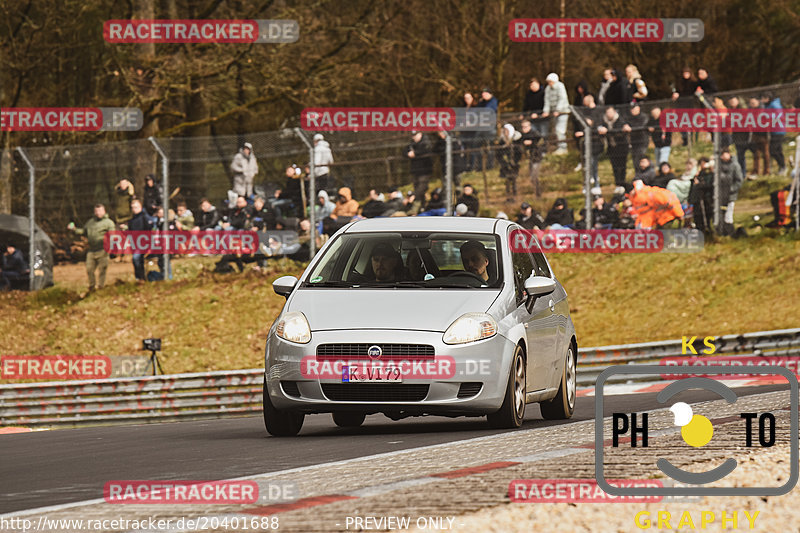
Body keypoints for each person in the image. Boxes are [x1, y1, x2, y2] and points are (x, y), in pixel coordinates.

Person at [68, 204, 116, 291]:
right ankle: (92, 286)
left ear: (104, 211)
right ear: (94, 212)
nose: (98, 213)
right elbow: (83, 231)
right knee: (89, 269)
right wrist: (74, 229)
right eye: (96, 211)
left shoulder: (109, 223)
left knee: (102, 269)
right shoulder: (90, 222)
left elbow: (113, 236)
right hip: (92, 250)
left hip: (103, 249)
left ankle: (101, 286)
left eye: (100, 211)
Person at [598, 106, 630, 187]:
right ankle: (617, 183)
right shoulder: (604, 121)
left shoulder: (620, 119)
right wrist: (601, 129)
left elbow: (624, 127)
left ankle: (622, 182)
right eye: (608, 112)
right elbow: (598, 127)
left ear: (614, 112)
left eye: (611, 112)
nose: (609, 114)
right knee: (614, 166)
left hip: (622, 147)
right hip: (612, 148)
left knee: (622, 166)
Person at [127, 199, 156, 282]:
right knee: (137, 260)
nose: (134, 209)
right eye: (132, 207)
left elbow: (150, 231)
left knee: (136, 258)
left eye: (136, 207)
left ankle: (141, 277)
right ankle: (140, 278)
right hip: (135, 243)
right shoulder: (132, 220)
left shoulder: (145, 217)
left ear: (140, 207)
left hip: (143, 243)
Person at [541, 73, 570, 154]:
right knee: (555, 130)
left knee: (560, 130)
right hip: (554, 113)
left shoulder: (560, 86)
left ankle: (563, 148)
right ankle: (559, 146)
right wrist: (546, 111)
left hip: (563, 112)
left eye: (550, 81)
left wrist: (558, 110)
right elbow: (547, 101)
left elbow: (562, 98)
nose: (549, 83)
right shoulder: (548, 89)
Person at [762, 92, 787, 174]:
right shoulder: (767, 106)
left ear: (768, 98)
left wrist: (766, 117)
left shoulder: (775, 105)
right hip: (773, 131)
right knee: (778, 150)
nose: (762, 100)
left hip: (778, 130)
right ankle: (783, 167)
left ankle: (782, 166)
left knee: (772, 150)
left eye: (763, 98)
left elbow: (779, 116)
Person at [719, 148, 744, 229]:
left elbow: (739, 181)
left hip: (730, 195)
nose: (723, 156)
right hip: (720, 195)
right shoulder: (718, 166)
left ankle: (729, 230)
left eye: (724, 154)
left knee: (728, 215)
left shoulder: (735, 166)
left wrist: (730, 189)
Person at [497, 123, 523, 200]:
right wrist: (504, 162)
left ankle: (515, 195)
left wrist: (515, 161)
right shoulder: (502, 141)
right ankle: (508, 196)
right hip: (505, 164)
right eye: (504, 131)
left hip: (514, 163)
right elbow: (498, 154)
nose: (505, 132)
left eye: (506, 131)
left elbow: (519, 152)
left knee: (514, 179)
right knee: (507, 180)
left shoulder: (516, 140)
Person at [407, 131, 434, 201]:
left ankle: (415, 201)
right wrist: (408, 154)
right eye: (412, 136)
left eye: (415, 135)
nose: (413, 137)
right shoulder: (411, 144)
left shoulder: (426, 142)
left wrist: (415, 153)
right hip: (416, 170)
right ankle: (421, 205)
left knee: (421, 188)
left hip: (425, 170)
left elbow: (427, 150)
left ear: (420, 134)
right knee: (417, 187)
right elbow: (404, 151)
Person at [519, 119, 545, 192]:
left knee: (534, 176)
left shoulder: (535, 134)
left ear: (530, 126)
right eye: (523, 127)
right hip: (530, 158)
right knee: (532, 176)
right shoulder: (522, 136)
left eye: (526, 127)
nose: (524, 129)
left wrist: (532, 142)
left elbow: (541, 142)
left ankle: (538, 191)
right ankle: (536, 191)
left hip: (537, 157)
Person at [747, 97, 770, 177]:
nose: (752, 104)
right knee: (756, 154)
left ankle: (766, 171)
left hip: (763, 135)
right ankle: (756, 170)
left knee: (765, 154)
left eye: (753, 103)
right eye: (751, 103)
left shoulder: (763, 110)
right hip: (754, 135)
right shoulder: (750, 111)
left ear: (758, 102)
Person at [727, 96, 749, 175]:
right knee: (740, 156)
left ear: (737, 100)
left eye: (733, 100)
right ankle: (742, 173)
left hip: (747, 136)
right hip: (737, 137)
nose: (731, 102)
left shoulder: (743, 109)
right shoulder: (730, 111)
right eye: (730, 101)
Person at [626, 103, 649, 167]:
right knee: (635, 161)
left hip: (642, 142)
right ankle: (638, 175)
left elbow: (641, 126)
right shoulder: (629, 118)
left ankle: (643, 174)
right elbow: (625, 124)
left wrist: (631, 128)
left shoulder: (644, 116)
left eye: (633, 108)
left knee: (641, 159)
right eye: (631, 109)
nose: (632, 110)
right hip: (633, 142)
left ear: (638, 108)